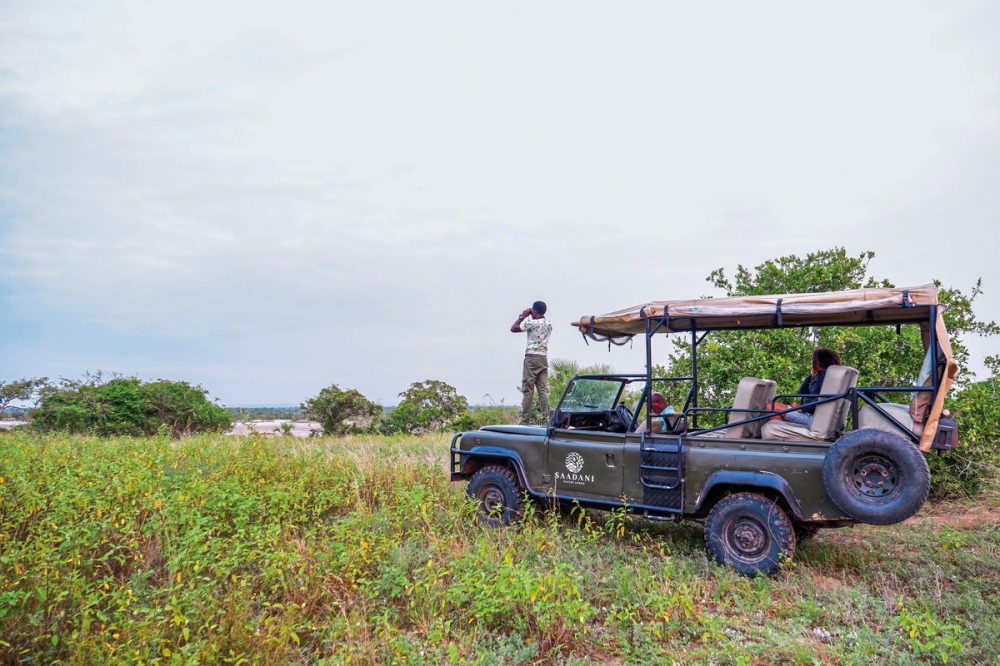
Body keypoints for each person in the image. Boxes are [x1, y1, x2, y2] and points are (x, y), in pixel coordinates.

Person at [511, 301, 552, 424]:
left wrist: (522, 316)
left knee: (528, 389)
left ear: (535, 311)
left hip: (531, 358)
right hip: (543, 358)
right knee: (543, 390)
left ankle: (524, 420)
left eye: (532, 311)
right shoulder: (549, 324)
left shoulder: (532, 323)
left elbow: (513, 328)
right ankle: (546, 419)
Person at [781, 348, 842, 427]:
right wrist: (811, 375)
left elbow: (822, 399)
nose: (811, 362)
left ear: (818, 361)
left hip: (810, 416)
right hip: (810, 414)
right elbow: (801, 392)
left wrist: (801, 409)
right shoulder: (827, 375)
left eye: (813, 359)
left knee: (770, 407)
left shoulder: (822, 376)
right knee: (775, 412)